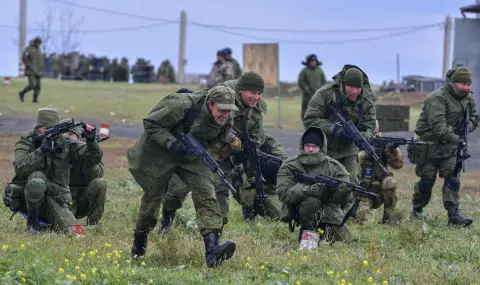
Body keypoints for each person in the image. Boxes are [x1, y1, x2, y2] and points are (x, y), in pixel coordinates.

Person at [127, 85, 240, 267]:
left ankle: (212, 252)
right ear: (210, 104)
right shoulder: (181, 105)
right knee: (153, 199)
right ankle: (138, 247)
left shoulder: (227, 117)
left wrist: (228, 144)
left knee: (207, 194)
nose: (226, 115)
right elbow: (151, 123)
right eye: (222, 110)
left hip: (191, 155)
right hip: (161, 152)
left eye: (229, 111)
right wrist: (173, 144)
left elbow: (220, 136)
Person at [160, 72, 288, 232]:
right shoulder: (221, 95)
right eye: (252, 92)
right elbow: (199, 116)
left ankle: (214, 236)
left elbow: (256, 138)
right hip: (196, 152)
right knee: (177, 191)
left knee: (220, 192)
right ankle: (166, 221)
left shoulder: (255, 111)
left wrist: (245, 151)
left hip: (224, 158)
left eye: (259, 93)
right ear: (240, 90)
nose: (256, 97)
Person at [6, 108, 100, 234]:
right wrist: (40, 152)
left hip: (58, 198)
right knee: (37, 178)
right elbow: (20, 169)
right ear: (38, 127)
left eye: (52, 130)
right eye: (44, 130)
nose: (48, 134)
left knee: (77, 234)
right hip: (32, 199)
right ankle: (33, 224)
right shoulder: (27, 140)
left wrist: (91, 142)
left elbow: (92, 159)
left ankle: (52, 226)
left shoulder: (65, 141)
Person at [410, 67, 479, 227]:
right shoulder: (437, 98)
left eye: (468, 84)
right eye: (462, 84)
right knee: (427, 181)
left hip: (450, 146)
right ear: (454, 83)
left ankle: (454, 216)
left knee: (453, 179)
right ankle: (417, 211)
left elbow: (474, 117)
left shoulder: (469, 98)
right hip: (429, 146)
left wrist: (467, 128)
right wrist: (458, 139)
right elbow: (439, 128)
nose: (466, 88)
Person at [277, 127, 352, 249]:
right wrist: (308, 190)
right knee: (312, 200)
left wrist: (343, 192)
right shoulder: (290, 165)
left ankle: (321, 232)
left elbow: (344, 200)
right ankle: (307, 233)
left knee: (346, 242)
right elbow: (283, 193)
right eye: (307, 145)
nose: (311, 149)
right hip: (300, 208)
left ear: (321, 147)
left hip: (329, 210)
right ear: (302, 145)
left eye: (315, 146)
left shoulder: (334, 167)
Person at [303, 64, 377, 185]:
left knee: (351, 182)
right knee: (322, 182)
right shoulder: (325, 94)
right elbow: (310, 120)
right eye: (351, 87)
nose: (354, 92)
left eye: (358, 88)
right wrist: (334, 129)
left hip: (350, 148)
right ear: (343, 84)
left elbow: (371, 125)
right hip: (325, 146)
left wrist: (364, 136)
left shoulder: (367, 101)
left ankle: (348, 203)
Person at [60, 118, 108, 228]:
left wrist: (87, 160)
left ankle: (93, 224)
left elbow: (97, 175)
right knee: (65, 228)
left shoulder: (89, 151)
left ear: (79, 136)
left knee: (100, 183)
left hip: (83, 199)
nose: (68, 137)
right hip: (62, 199)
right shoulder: (54, 151)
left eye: (71, 134)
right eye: (65, 135)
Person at [356, 120, 404, 225]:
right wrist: (363, 154)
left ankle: (389, 220)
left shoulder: (383, 146)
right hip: (362, 194)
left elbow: (398, 165)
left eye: (377, 131)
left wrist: (393, 150)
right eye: (373, 132)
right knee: (364, 224)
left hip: (380, 191)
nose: (376, 134)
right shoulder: (356, 145)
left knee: (390, 182)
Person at [298, 54, 327, 119]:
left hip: (319, 95)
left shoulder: (320, 70)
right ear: (308, 62)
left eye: (314, 61)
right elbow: (301, 81)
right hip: (308, 96)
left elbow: (324, 81)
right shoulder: (304, 71)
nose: (313, 62)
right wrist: (307, 90)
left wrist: (321, 89)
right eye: (312, 61)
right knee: (306, 111)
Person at [19, 37, 44, 103]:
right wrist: (31, 66)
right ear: (35, 42)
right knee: (33, 84)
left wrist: (41, 69)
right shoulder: (28, 49)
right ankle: (22, 93)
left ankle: (35, 99)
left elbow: (40, 61)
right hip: (31, 71)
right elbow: (24, 58)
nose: (39, 44)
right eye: (38, 43)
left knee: (38, 86)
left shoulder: (39, 50)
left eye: (40, 43)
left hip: (38, 71)